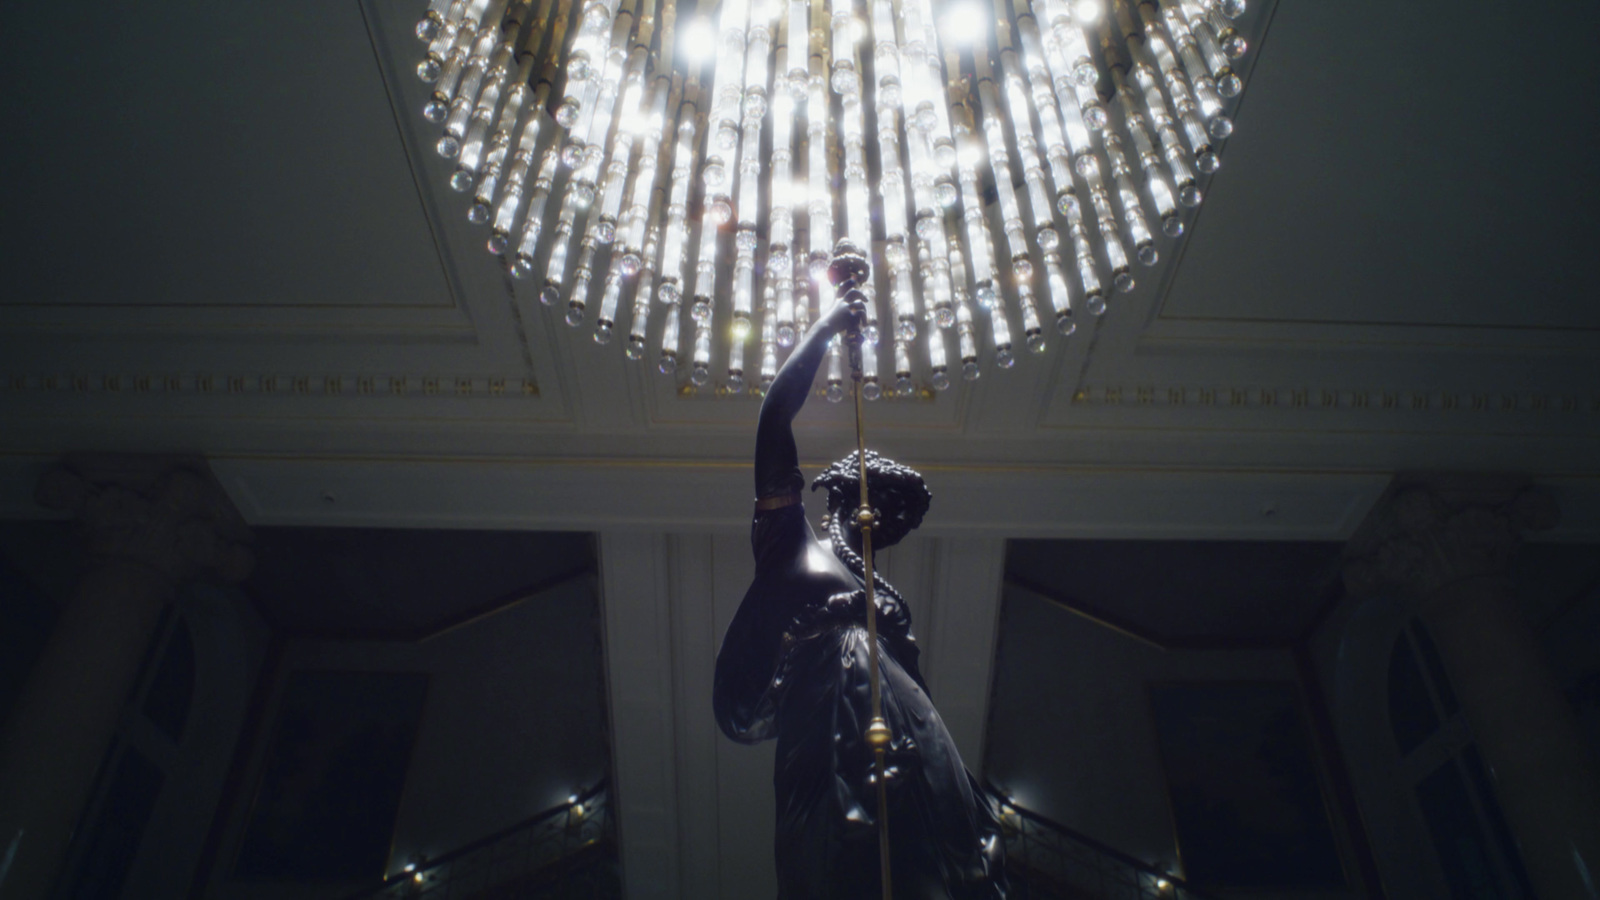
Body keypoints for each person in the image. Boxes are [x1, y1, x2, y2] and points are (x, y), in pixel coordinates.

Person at [713, 295, 1008, 899]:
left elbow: (918, 692)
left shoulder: (877, 590)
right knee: (835, 865)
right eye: (885, 504)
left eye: (899, 517)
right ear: (843, 495)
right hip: (827, 747)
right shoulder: (793, 546)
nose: (889, 523)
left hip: (915, 755)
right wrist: (825, 329)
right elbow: (774, 421)